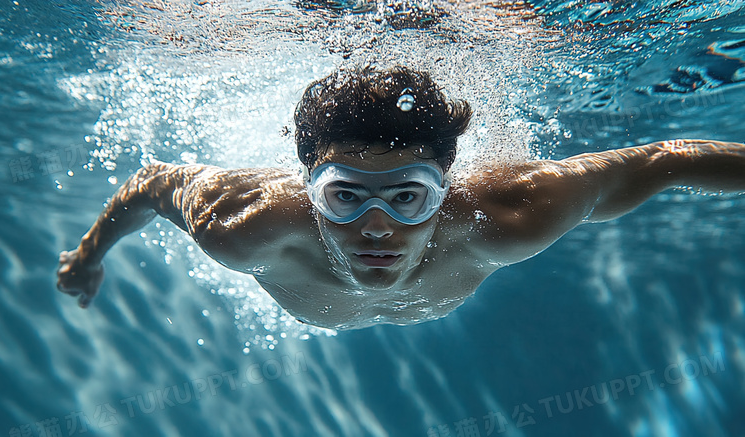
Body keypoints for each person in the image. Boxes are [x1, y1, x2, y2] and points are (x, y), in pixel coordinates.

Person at [56, 66, 745, 329]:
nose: (376, 226)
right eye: (346, 194)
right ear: (308, 189)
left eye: (409, 196)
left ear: (444, 188)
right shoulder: (247, 224)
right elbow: (149, 183)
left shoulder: (508, 214)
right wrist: (90, 254)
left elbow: (664, 160)